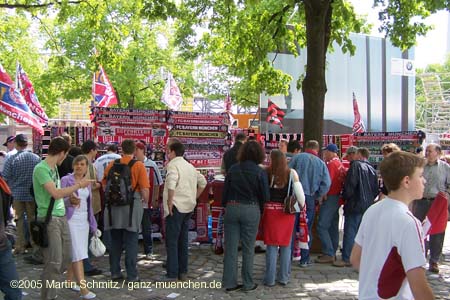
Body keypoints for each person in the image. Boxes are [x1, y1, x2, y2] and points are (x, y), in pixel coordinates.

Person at [350, 151, 434, 300]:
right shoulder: (408, 222)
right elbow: (418, 284)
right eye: (420, 176)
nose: (424, 181)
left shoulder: (372, 210)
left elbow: (355, 259)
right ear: (406, 181)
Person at [32, 137, 93, 300]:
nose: (66, 159)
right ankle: (49, 295)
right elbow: (56, 193)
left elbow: (60, 197)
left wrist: (69, 200)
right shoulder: (41, 169)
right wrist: (78, 186)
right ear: (61, 153)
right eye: (65, 155)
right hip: (49, 218)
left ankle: (55, 283)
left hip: (61, 216)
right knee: (54, 261)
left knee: (67, 256)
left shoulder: (54, 170)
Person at [222, 141, 270, 292]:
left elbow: (225, 193)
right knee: (249, 248)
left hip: (232, 207)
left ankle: (229, 283)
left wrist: (227, 206)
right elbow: (266, 196)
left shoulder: (233, 169)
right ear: (259, 154)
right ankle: (248, 283)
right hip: (251, 208)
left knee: (230, 247)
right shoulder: (260, 172)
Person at [102, 139, 149, 282]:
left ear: (121, 150)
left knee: (115, 241)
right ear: (135, 151)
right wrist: (144, 201)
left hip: (114, 209)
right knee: (131, 241)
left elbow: (104, 185)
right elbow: (145, 189)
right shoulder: (138, 166)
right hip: (132, 208)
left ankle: (115, 272)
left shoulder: (111, 165)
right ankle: (132, 275)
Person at [163, 141, 207, 280]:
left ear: (172, 151)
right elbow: (203, 182)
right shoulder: (189, 166)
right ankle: (183, 271)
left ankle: (172, 273)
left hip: (175, 206)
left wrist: (170, 202)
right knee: (183, 240)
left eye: (168, 151)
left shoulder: (173, 165)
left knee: (172, 241)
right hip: (188, 206)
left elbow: (171, 182)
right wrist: (194, 196)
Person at [263, 150, 305, 287]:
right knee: (286, 245)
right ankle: (284, 277)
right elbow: (300, 196)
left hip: (270, 211)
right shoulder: (291, 173)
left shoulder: (266, 172)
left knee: (271, 245)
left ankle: (269, 279)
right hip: (286, 212)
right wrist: (301, 206)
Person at [288, 140, 331, 267]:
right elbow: (327, 183)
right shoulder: (321, 163)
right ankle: (304, 259)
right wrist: (317, 195)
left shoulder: (297, 158)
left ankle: (287, 257)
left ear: (306, 147)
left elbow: (288, 173)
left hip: (295, 196)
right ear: (317, 150)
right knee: (306, 228)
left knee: (291, 227)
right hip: (310, 198)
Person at [334, 147, 378, 267]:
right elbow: (375, 189)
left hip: (354, 204)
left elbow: (351, 185)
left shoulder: (355, 166)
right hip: (367, 205)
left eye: (348, 156)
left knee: (350, 231)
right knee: (362, 232)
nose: (347, 159)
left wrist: (345, 196)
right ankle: (360, 257)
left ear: (355, 154)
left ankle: (347, 257)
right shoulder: (371, 168)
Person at [61, 155, 97, 299]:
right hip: (71, 219)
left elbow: (89, 204)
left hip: (84, 221)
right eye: (77, 164)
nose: (79, 166)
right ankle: (84, 289)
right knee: (78, 254)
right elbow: (59, 200)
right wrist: (69, 200)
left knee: (78, 251)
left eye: (82, 164)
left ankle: (69, 281)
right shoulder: (66, 180)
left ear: (86, 167)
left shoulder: (86, 182)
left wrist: (92, 223)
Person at [411, 143, 450, 273]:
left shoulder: (445, 168)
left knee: (437, 232)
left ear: (438, 153)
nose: (427, 153)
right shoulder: (420, 166)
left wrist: (446, 198)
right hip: (421, 202)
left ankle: (434, 261)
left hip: (437, 204)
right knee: (419, 230)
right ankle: (420, 258)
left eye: (430, 151)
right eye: (426, 151)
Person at [2, 134, 41, 256]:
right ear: (26, 143)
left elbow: (5, 177)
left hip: (17, 194)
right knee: (32, 220)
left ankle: (20, 246)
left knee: (18, 221)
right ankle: (34, 245)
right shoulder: (36, 158)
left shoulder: (11, 159)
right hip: (31, 194)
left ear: (16, 143)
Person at [316, 143, 344, 264]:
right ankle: (332, 250)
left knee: (322, 225)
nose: (324, 154)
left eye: (326, 151)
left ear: (331, 152)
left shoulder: (331, 164)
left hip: (331, 196)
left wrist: (322, 195)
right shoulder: (339, 164)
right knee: (333, 225)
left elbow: (328, 181)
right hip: (337, 197)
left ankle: (329, 252)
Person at [135, 141, 163, 259]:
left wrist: (155, 199)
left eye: (136, 150)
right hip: (135, 203)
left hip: (147, 203)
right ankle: (132, 251)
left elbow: (158, 183)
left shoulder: (151, 165)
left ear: (142, 151)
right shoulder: (132, 164)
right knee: (133, 228)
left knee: (146, 228)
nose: (134, 153)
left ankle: (149, 251)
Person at [0, 185, 22, 300]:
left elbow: (8, 215)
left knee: (15, 294)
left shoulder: (1, 184)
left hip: (3, 249)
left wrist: (9, 234)